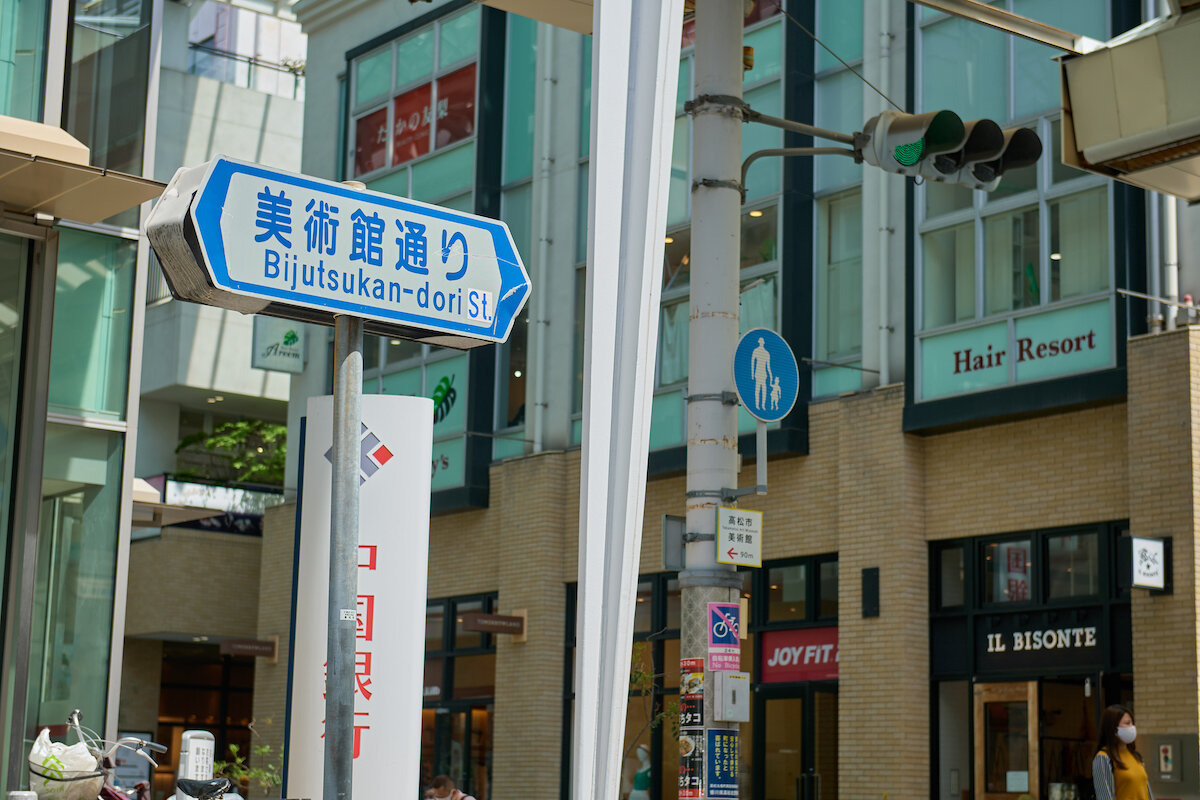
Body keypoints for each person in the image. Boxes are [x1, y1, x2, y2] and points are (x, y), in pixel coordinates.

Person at [1093, 704, 1154, 800]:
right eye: (1127, 723)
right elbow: (1105, 796)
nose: (1132, 727)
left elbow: (1147, 792)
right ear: (1113, 728)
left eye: (1132, 723)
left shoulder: (1136, 756)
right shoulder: (1103, 758)